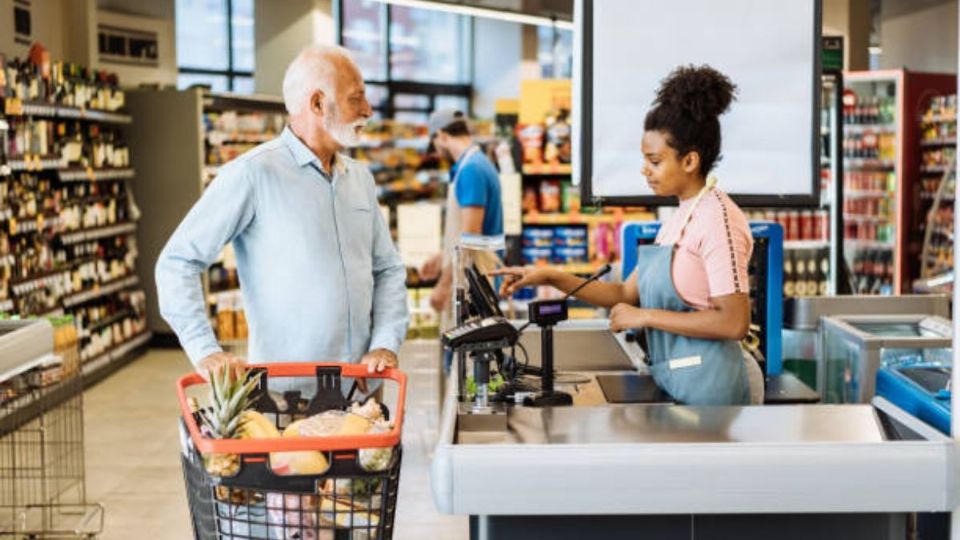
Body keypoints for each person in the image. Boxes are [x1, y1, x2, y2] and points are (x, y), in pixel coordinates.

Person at [493, 65, 763, 405]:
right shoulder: (680, 215)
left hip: (712, 394)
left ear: (690, 160)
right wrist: (548, 275)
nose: (644, 169)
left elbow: (734, 321)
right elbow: (623, 292)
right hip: (677, 381)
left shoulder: (718, 219)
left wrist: (644, 316)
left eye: (654, 160)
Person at [155, 45, 409, 392]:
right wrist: (205, 351)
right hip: (288, 400)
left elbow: (388, 269)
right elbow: (177, 261)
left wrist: (384, 342)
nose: (367, 110)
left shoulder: (359, 179)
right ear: (318, 103)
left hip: (362, 392)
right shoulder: (253, 174)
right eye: (356, 98)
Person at [419, 108, 504, 318]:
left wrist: (443, 285)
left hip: (475, 286)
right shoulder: (478, 164)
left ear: (442, 136)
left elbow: (471, 237)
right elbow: (471, 231)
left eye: (435, 145)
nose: (437, 153)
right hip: (475, 279)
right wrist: (443, 255)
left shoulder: (471, 170)